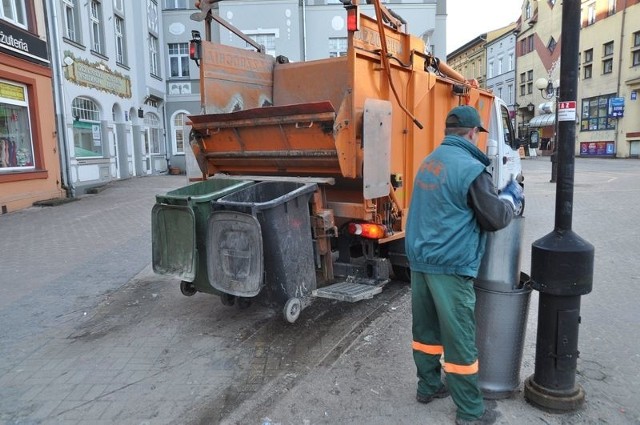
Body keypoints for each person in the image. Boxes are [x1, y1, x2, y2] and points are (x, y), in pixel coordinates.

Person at [405, 105, 523, 425]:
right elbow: (495, 218)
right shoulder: (471, 169)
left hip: (420, 260)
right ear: (473, 134)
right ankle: (471, 411)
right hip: (451, 265)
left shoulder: (429, 162)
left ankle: (427, 386)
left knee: (426, 330)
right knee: (459, 339)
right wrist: (512, 196)